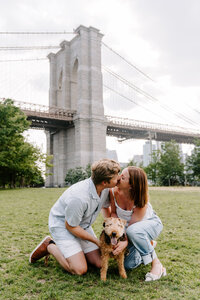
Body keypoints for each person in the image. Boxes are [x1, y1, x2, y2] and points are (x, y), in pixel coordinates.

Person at [29, 159, 120, 275]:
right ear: (104, 182)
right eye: (116, 176)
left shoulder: (105, 189)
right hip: (63, 226)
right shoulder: (79, 198)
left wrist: (111, 230)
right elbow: (71, 226)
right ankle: (49, 246)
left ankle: (76, 252)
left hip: (82, 225)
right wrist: (96, 241)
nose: (119, 177)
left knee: (100, 264)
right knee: (79, 269)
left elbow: (106, 208)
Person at [109, 166, 166, 281]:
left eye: (123, 178)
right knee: (128, 265)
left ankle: (157, 265)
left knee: (133, 231)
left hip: (149, 225)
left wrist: (125, 242)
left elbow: (132, 228)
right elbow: (114, 213)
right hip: (131, 231)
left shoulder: (140, 200)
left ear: (131, 186)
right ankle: (147, 244)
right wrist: (116, 234)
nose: (118, 178)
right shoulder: (113, 192)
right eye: (121, 174)